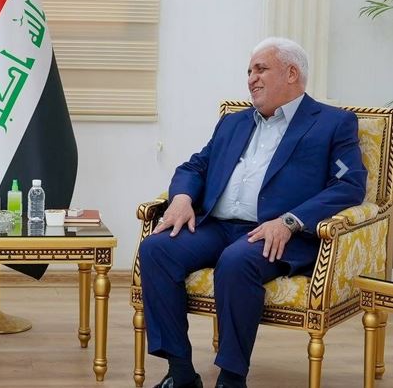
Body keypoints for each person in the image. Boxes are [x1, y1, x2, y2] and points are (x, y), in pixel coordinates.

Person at [138, 37, 366, 388]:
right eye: (249, 71)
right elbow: (195, 166)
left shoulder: (332, 123)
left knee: (236, 261)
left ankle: (231, 378)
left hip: (275, 232)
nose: (251, 78)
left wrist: (290, 221)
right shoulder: (234, 122)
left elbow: (349, 184)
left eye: (261, 69)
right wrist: (181, 197)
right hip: (217, 225)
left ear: (292, 73)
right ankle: (180, 372)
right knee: (156, 249)